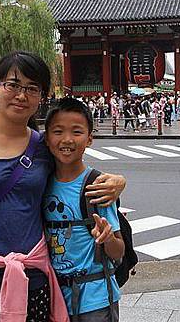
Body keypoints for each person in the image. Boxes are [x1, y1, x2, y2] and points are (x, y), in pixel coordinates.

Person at [0, 51, 126, 322]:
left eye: (32, 89)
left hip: (34, 282)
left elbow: (75, 174)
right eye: (13, 85)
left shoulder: (42, 146)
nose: (21, 95)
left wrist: (119, 181)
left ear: (41, 97)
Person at [43, 98, 124, 321]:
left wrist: (106, 238)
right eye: (58, 131)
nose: (67, 139)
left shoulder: (98, 187)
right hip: (55, 298)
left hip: (95, 299)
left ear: (89, 139)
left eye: (77, 132)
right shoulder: (40, 183)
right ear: (47, 138)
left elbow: (119, 252)